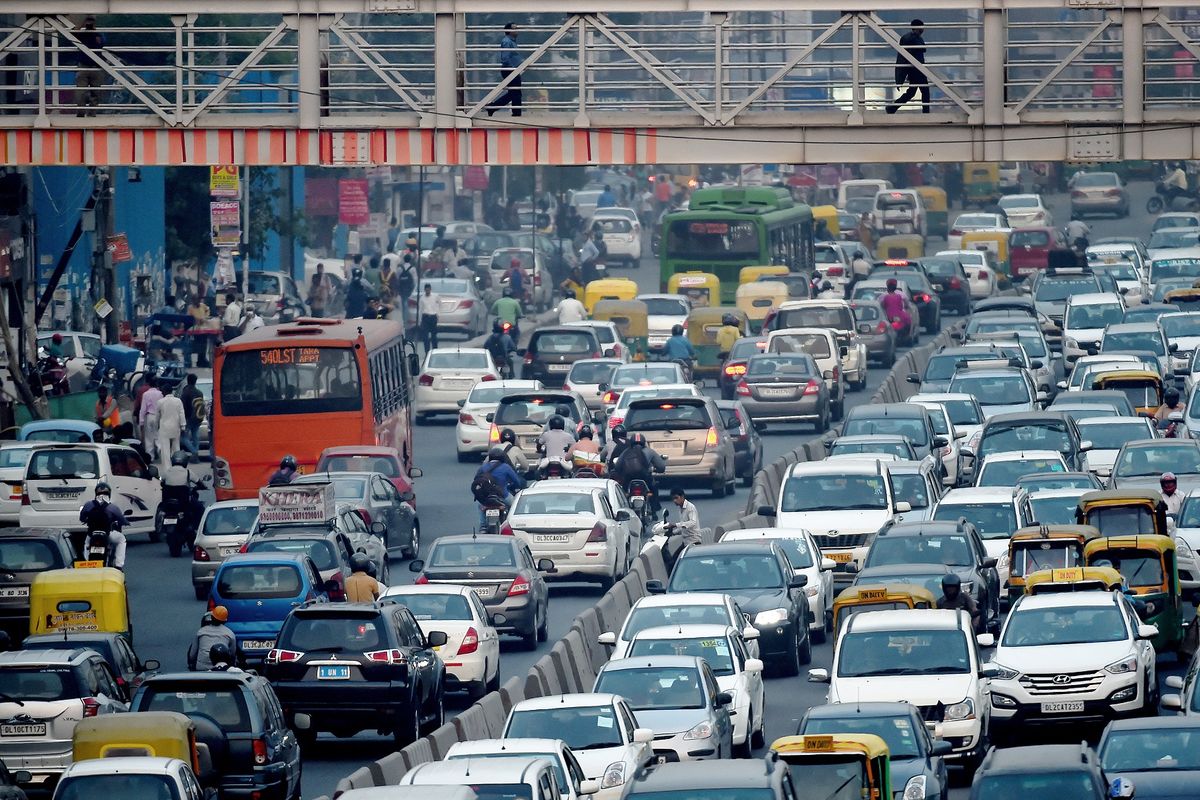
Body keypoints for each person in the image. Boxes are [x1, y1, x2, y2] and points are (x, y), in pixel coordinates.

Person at [609, 433, 667, 510]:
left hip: (628, 479)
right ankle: (654, 508)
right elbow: (661, 467)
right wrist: (657, 469)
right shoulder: (649, 451)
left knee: (623, 493)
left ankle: (625, 507)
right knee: (654, 486)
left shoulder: (626, 452)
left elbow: (617, 467)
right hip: (645, 478)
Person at [78, 483, 128, 569]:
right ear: (109, 494)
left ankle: (86, 564)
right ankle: (118, 565)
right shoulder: (113, 507)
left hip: (92, 534)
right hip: (107, 534)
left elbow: (82, 518)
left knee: (86, 543)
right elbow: (122, 520)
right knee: (122, 540)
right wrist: (125, 522)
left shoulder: (88, 505)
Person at [472, 446, 525, 524]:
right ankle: (510, 523)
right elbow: (517, 482)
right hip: (503, 495)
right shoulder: (506, 467)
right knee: (514, 506)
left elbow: (476, 479)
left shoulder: (483, 467)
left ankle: (483, 525)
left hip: (486, 496)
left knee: (480, 506)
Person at [886, 20, 929, 114]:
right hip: (916, 70)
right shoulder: (911, 38)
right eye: (921, 27)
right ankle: (926, 113)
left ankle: (892, 108)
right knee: (924, 91)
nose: (923, 29)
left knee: (912, 93)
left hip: (916, 69)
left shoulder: (913, 37)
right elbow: (905, 55)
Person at [486, 23, 523, 117]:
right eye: (515, 28)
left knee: (514, 92)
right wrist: (512, 68)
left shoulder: (512, 41)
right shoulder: (507, 41)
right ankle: (516, 113)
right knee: (515, 92)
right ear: (509, 31)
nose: (517, 30)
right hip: (510, 69)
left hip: (512, 69)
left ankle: (493, 107)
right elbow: (505, 58)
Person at [187, 607, 238, 671]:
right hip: (222, 669)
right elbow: (233, 654)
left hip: (202, 668)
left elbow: (192, 655)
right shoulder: (230, 634)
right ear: (225, 620)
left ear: (212, 617)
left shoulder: (201, 632)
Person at [73, 16, 105, 116]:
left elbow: (102, 42)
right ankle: (81, 112)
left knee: (96, 93)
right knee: (80, 92)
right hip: (84, 65)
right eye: (88, 22)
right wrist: (82, 25)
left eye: (91, 22)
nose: (89, 24)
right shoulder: (82, 34)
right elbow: (73, 35)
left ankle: (92, 113)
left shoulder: (98, 34)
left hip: (95, 66)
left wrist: (94, 31)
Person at [154, 386, 186, 471]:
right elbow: (181, 413)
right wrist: (183, 426)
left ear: (164, 392)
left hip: (164, 428)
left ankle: (167, 468)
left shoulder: (160, 402)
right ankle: (178, 466)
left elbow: (157, 416)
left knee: (165, 450)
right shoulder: (178, 401)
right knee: (176, 447)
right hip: (175, 428)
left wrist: (156, 425)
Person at [138, 376, 163, 463]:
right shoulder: (160, 394)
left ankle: (150, 457)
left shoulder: (145, 394)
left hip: (149, 417)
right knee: (158, 436)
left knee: (149, 438)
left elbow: (143, 409)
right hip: (158, 416)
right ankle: (161, 453)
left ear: (149, 384)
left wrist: (141, 422)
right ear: (156, 384)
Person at [180, 373, 204, 460]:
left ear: (188, 381)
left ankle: (194, 452)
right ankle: (195, 453)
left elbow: (182, 406)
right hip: (198, 418)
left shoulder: (185, 392)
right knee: (195, 436)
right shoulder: (199, 392)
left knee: (183, 437)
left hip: (188, 418)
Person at [417, 282, 440, 352]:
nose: (427, 291)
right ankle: (427, 351)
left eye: (428, 290)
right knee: (425, 337)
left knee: (434, 336)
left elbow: (439, 305)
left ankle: (435, 350)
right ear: (424, 290)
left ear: (430, 289)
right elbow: (420, 310)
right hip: (425, 317)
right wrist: (420, 321)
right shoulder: (422, 299)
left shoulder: (435, 296)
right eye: (426, 290)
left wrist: (438, 315)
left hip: (433, 317)